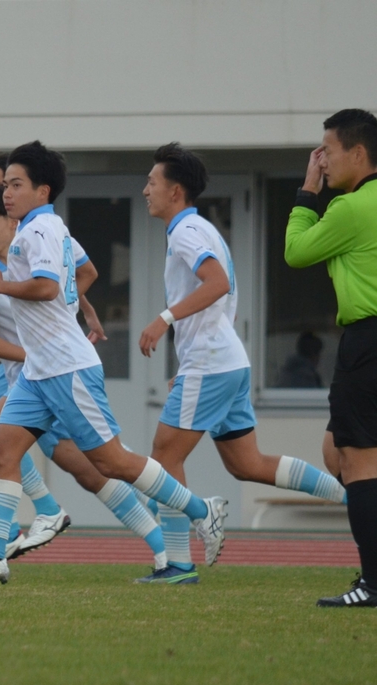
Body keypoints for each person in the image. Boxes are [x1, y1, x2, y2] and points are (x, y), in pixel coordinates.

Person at [0, 141, 227, 584]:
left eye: (16, 185)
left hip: (65, 368)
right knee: (1, 450)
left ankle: (200, 508)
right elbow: (77, 277)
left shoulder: (39, 231)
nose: (7, 194)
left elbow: (46, 288)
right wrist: (82, 306)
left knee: (111, 461)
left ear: (43, 190)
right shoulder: (38, 230)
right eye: (7, 186)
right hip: (38, 370)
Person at [138, 142, 347, 584]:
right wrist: (196, 354)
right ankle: (352, 496)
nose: (145, 190)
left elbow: (215, 283)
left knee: (163, 455)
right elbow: (225, 294)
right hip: (226, 361)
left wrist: (164, 320)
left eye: (152, 182)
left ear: (175, 191)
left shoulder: (186, 231)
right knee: (246, 464)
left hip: (214, 363)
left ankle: (178, 564)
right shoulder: (201, 229)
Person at [0, 183, 168, 568]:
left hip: (55, 368)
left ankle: (42, 518)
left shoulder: (39, 235)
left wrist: (71, 316)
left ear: (14, 213)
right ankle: (161, 542)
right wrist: (47, 340)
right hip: (25, 370)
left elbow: (82, 273)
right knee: (86, 469)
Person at [284, 108, 377, 607]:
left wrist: (307, 192)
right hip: (364, 341)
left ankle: (373, 584)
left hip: (368, 338)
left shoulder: (352, 208)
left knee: (357, 460)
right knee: (335, 450)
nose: (322, 160)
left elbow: (295, 252)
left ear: (358, 153)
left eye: (328, 151)